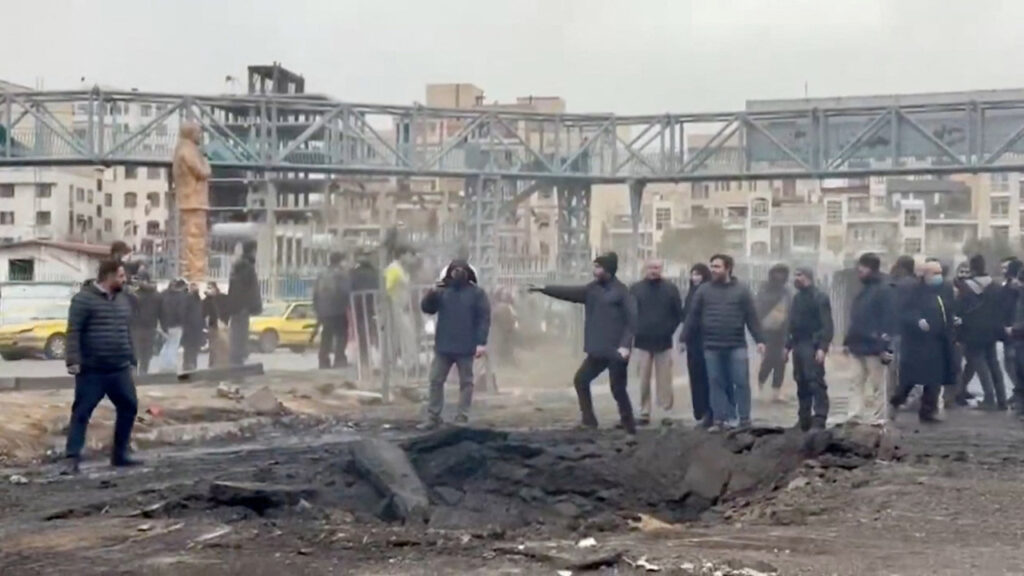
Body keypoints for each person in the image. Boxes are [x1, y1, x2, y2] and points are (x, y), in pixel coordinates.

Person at [529, 252, 638, 434]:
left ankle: (629, 426)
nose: (594, 270)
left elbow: (632, 320)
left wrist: (625, 345)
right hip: (598, 349)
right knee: (581, 380)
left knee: (617, 389)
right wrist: (544, 288)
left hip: (617, 351)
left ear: (608, 270)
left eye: (598, 267)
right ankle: (589, 421)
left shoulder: (621, 291)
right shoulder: (592, 289)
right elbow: (570, 293)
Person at [63, 260, 140, 474]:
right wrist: (73, 360)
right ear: (108, 276)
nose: (124, 280)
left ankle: (120, 454)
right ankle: (72, 458)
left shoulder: (123, 300)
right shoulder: (83, 300)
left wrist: (132, 357)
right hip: (92, 370)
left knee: (129, 407)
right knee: (82, 412)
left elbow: (126, 330)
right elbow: (73, 331)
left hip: (119, 368)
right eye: (121, 276)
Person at [681, 254, 764, 431]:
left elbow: (752, 317)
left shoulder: (742, 290)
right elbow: (692, 317)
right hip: (711, 345)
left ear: (728, 268)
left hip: (736, 344)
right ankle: (720, 419)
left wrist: (760, 340)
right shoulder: (704, 291)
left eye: (717, 266)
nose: (713, 270)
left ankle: (744, 419)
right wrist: (683, 338)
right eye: (712, 266)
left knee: (741, 382)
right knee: (715, 382)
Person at [419, 259, 491, 429]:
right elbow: (427, 308)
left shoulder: (477, 294)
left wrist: (481, 342)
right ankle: (433, 416)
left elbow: (483, 319)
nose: (457, 273)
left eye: (461, 270)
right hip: (444, 345)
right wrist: (431, 294)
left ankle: (462, 416)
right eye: (455, 270)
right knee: (436, 380)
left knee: (466, 382)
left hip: (466, 346)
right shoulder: (442, 292)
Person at [888, 261, 956, 423]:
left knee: (935, 378)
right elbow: (903, 312)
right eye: (934, 273)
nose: (938, 277)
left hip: (939, 339)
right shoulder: (913, 291)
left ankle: (928, 411)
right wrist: (917, 321)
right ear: (924, 275)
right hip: (917, 342)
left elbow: (949, 309)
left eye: (940, 273)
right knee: (911, 378)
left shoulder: (945, 289)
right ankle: (895, 402)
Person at [629, 258, 683, 425]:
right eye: (652, 267)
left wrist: (669, 329)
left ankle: (665, 411)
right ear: (645, 268)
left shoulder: (671, 289)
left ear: (662, 269)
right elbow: (629, 312)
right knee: (643, 378)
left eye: (658, 267)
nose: (654, 270)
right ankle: (644, 411)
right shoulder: (635, 289)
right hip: (642, 341)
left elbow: (678, 314)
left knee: (664, 379)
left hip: (664, 341)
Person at [843, 252, 892, 422]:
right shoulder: (864, 290)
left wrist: (885, 346)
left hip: (874, 346)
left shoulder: (883, 289)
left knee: (877, 384)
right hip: (858, 344)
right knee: (856, 381)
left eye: (862, 267)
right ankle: (855, 414)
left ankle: (879, 418)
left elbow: (888, 319)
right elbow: (856, 318)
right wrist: (847, 341)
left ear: (871, 268)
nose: (858, 270)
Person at [955, 254, 1006, 411]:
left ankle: (989, 398)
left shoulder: (965, 286)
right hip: (991, 330)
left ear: (972, 267)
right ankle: (1002, 399)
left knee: (979, 364)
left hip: (972, 331)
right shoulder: (996, 286)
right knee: (993, 363)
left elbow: (959, 309)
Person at [785, 267, 834, 431]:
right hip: (798, 344)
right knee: (801, 382)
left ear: (808, 277)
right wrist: (787, 346)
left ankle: (819, 419)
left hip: (812, 345)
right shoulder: (797, 298)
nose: (796, 279)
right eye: (795, 275)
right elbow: (791, 324)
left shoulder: (819, 297)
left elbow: (827, 325)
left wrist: (822, 347)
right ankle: (804, 419)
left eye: (799, 275)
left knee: (815, 382)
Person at [681, 263, 712, 428]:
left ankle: (709, 411)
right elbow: (686, 316)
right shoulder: (690, 294)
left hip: (707, 340)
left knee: (708, 377)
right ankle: (699, 411)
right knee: (695, 376)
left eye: (698, 274)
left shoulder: (708, 293)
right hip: (692, 342)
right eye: (693, 274)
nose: (695, 278)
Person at [755, 263, 791, 402]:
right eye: (777, 272)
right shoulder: (764, 289)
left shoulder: (786, 291)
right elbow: (759, 308)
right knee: (768, 360)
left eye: (783, 273)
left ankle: (776, 391)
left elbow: (790, 308)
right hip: (767, 331)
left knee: (781, 361)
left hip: (783, 332)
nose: (780, 276)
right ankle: (760, 385)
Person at [313, 251, 352, 369]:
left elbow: (315, 293)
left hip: (323, 310)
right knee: (341, 334)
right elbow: (346, 292)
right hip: (338, 309)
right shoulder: (342, 274)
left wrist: (317, 309)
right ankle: (339, 359)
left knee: (326, 335)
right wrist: (348, 305)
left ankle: (323, 360)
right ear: (340, 261)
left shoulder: (321, 274)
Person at [385, 245, 420, 372]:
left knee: (403, 336)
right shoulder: (394, 269)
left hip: (401, 307)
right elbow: (387, 287)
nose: (412, 258)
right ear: (402, 255)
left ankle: (404, 363)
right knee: (406, 336)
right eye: (410, 255)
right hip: (396, 307)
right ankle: (409, 364)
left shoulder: (401, 269)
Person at [228, 240, 262, 367]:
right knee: (240, 333)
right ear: (252, 251)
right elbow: (248, 290)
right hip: (242, 308)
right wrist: (251, 306)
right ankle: (237, 360)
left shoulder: (239, 267)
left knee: (239, 333)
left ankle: (237, 358)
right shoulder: (246, 268)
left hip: (238, 307)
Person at [130, 277, 160, 375]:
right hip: (149, 326)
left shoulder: (135, 295)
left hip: (137, 326)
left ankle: (135, 371)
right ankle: (143, 371)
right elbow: (162, 312)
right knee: (146, 351)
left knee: (136, 350)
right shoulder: (156, 296)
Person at [157, 279, 188, 373]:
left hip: (164, 325)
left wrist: (161, 323)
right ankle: (170, 366)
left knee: (166, 345)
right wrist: (183, 323)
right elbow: (181, 312)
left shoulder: (163, 295)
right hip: (176, 325)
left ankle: (163, 365)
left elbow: (159, 310)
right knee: (173, 345)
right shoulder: (180, 297)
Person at [204, 282, 231, 368]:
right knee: (213, 348)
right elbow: (203, 312)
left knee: (222, 347)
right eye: (208, 288)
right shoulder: (207, 300)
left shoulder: (223, 298)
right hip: (212, 327)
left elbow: (227, 310)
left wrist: (224, 321)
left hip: (222, 326)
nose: (209, 290)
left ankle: (222, 366)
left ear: (215, 288)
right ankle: (212, 366)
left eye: (210, 287)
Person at [181, 282, 205, 372]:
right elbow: (183, 313)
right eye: (193, 287)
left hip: (197, 328)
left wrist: (203, 325)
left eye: (196, 286)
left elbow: (202, 313)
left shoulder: (199, 299)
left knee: (194, 348)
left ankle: (192, 364)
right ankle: (188, 364)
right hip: (189, 327)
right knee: (189, 348)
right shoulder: (187, 299)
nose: (195, 288)